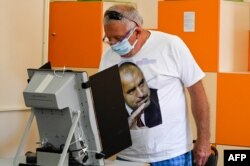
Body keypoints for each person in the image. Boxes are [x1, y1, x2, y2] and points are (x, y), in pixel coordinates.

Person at [99, 4, 210, 166]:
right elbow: (105, 102)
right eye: (109, 39)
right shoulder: (108, 57)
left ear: (136, 31)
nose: (114, 44)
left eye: (118, 38)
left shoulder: (170, 45)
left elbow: (197, 93)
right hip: (128, 155)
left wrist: (204, 140)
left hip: (171, 153)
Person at [119, 62, 162, 129]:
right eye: (132, 91)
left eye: (141, 84)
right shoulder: (114, 116)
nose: (141, 94)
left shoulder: (161, 98)